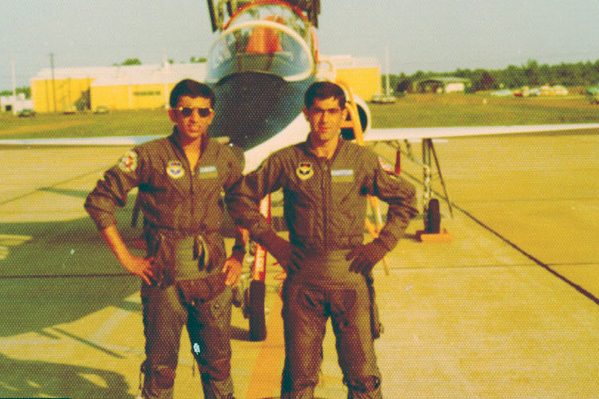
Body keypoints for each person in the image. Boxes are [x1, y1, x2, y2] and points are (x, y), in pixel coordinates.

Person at [228, 81, 419, 399]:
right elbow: (239, 197)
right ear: (306, 113)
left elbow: (407, 198)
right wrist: (273, 242)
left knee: (363, 377)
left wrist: (381, 244)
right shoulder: (287, 161)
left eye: (333, 111)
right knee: (299, 379)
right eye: (318, 111)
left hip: (351, 277)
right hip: (304, 278)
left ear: (344, 114)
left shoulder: (361, 160)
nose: (325, 119)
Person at [85, 79, 244, 399]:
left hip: (212, 278)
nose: (194, 118)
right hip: (165, 281)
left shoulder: (223, 157)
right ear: (173, 114)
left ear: (211, 116)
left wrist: (240, 253)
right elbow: (99, 200)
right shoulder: (149, 156)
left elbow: (243, 204)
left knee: (216, 365)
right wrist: (126, 259)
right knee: (161, 368)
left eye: (202, 112)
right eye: (186, 111)